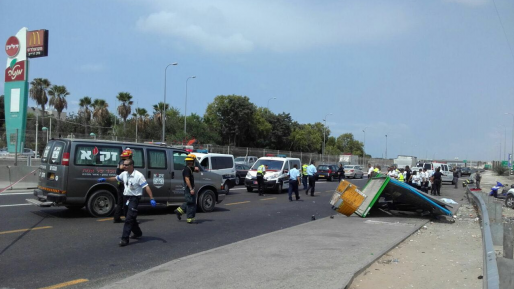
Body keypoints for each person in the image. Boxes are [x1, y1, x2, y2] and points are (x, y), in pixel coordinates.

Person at [97, 158, 156, 247]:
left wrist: (152, 198)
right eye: (124, 164)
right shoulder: (124, 174)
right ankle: (138, 233)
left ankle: (124, 239)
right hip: (126, 197)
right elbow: (116, 178)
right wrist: (105, 179)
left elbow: (146, 187)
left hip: (134, 198)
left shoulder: (139, 175)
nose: (124, 166)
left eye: (126, 165)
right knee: (129, 216)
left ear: (131, 166)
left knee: (128, 219)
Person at [174, 154, 199, 224]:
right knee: (191, 203)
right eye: (194, 161)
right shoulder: (187, 170)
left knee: (191, 202)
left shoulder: (189, 168)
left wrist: (196, 168)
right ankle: (190, 218)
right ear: (192, 161)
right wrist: (191, 189)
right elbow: (187, 179)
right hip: (189, 188)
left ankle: (179, 211)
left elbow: (197, 170)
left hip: (190, 188)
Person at [113, 148, 133, 223]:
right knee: (125, 202)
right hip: (123, 185)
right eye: (130, 155)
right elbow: (121, 167)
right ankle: (127, 218)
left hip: (121, 184)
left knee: (120, 202)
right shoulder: (123, 162)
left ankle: (117, 218)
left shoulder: (121, 161)